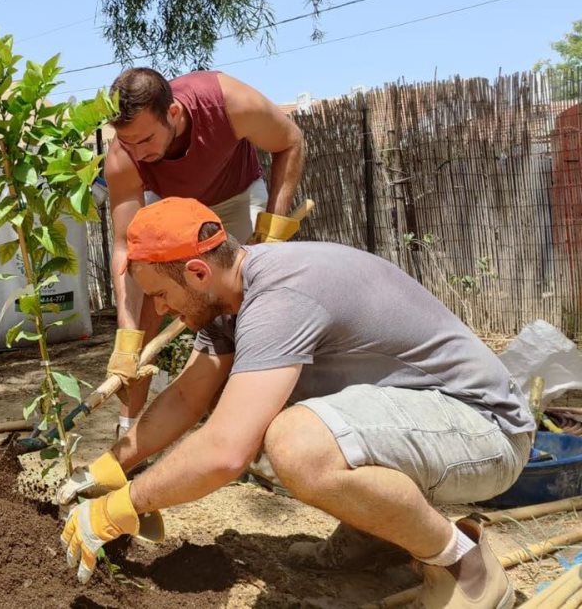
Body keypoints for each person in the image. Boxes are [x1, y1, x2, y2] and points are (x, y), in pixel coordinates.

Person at [58, 197, 533, 609]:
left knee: (296, 442)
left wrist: (121, 507)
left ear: (198, 270)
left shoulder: (279, 297)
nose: (160, 310)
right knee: (280, 418)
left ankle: (463, 562)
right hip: (420, 419)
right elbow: (185, 396)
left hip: (485, 430)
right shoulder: (227, 296)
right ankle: (379, 535)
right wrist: (107, 469)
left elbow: (226, 451)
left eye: (161, 295)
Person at [103, 67, 306, 435]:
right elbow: (125, 251)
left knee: (251, 296)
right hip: (169, 204)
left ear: (174, 113)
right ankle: (128, 429)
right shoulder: (124, 156)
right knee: (150, 296)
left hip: (234, 196)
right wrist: (127, 336)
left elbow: (290, 140)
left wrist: (272, 229)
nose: (138, 151)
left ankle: (252, 427)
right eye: (127, 142)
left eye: (146, 139)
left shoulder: (227, 102)